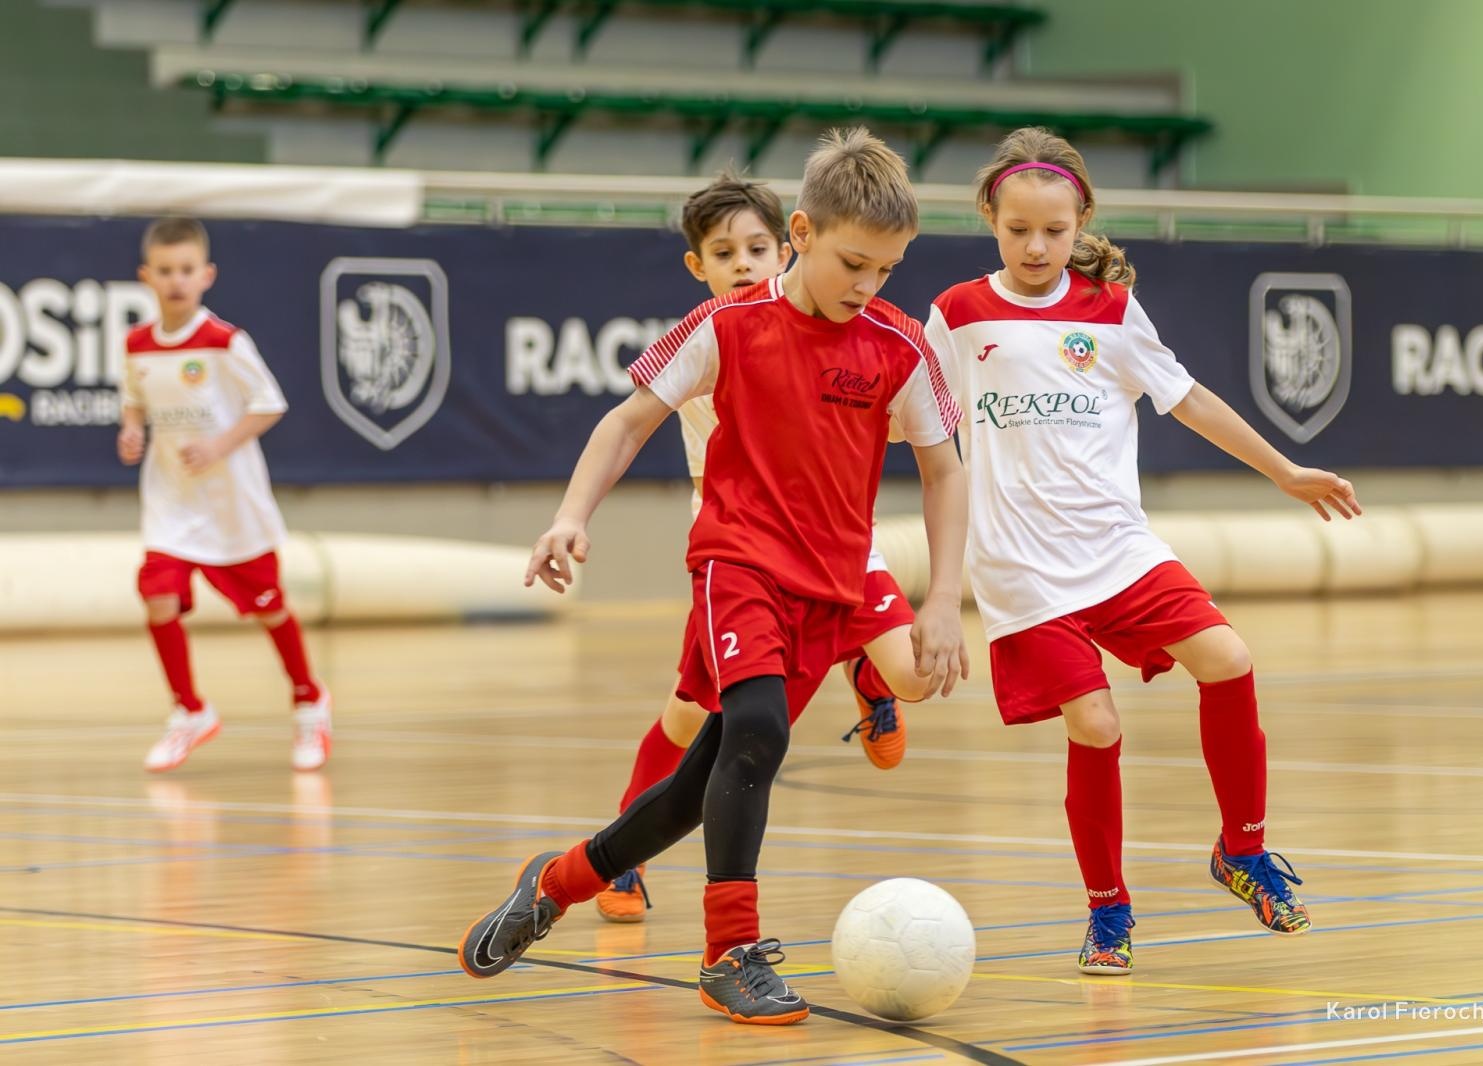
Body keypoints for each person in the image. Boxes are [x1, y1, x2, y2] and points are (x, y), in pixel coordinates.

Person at [458, 128, 968, 1025]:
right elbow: (624, 422)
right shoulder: (726, 324)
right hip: (736, 564)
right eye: (854, 262)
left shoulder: (901, 345)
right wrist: (571, 516)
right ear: (802, 232)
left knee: (702, 786)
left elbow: (946, 471)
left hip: (833, 585)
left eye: (887, 270)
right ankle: (730, 951)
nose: (868, 286)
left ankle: (558, 880)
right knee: (758, 732)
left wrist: (941, 602)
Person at [924, 127, 1361, 975]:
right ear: (990, 216)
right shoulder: (957, 313)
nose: (1037, 246)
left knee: (1230, 659)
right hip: (1021, 569)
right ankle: (1109, 910)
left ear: (1082, 216)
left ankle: (1242, 851)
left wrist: (1282, 470)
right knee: (1094, 722)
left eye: (1054, 230)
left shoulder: (1112, 310)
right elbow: (913, 422)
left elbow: (1189, 400)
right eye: (1018, 230)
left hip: (1119, 551)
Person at [596, 172, 936, 924]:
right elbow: (624, 424)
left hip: (838, 543)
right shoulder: (714, 332)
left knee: (913, 672)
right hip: (741, 548)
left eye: (757, 247)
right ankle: (625, 853)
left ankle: (869, 673)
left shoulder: (860, 332)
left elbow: (920, 436)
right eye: (725, 253)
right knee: (691, 719)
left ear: (789, 243)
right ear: (698, 267)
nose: (744, 264)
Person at [118, 217, 331, 773]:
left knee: (268, 608)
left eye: (186, 270)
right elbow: (134, 395)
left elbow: (269, 403)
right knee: (157, 595)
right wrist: (133, 427)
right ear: (147, 276)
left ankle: (309, 698)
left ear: (206, 275)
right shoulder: (136, 344)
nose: (176, 281)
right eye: (165, 271)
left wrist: (219, 444)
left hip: (232, 504)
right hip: (171, 501)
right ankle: (189, 710)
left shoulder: (225, 342)